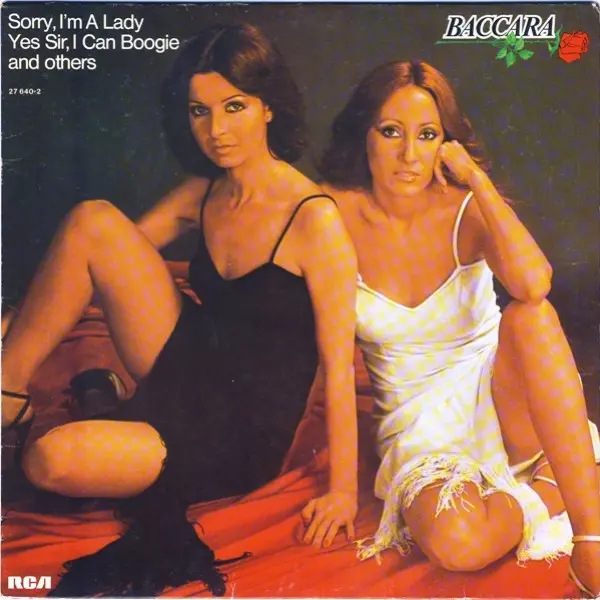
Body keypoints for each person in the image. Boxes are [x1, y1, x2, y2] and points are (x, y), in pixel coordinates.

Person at [1, 23, 358, 596]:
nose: (217, 130)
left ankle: (82, 405)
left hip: (238, 430)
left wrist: (343, 491)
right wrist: (9, 328)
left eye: (234, 106)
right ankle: (6, 394)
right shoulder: (204, 190)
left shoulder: (315, 219)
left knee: (49, 462)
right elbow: (92, 260)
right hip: (186, 362)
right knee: (92, 220)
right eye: (200, 111)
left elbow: (338, 367)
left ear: (268, 107)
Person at [318, 59, 600, 598]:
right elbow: (332, 360)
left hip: (501, 398)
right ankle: (553, 489)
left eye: (427, 135)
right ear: (362, 133)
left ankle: (591, 541)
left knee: (532, 314)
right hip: (416, 425)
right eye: (391, 132)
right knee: (460, 547)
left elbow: (534, 282)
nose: (409, 155)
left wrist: (477, 182)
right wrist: (341, 490)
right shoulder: (330, 212)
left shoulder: (463, 205)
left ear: (446, 143)